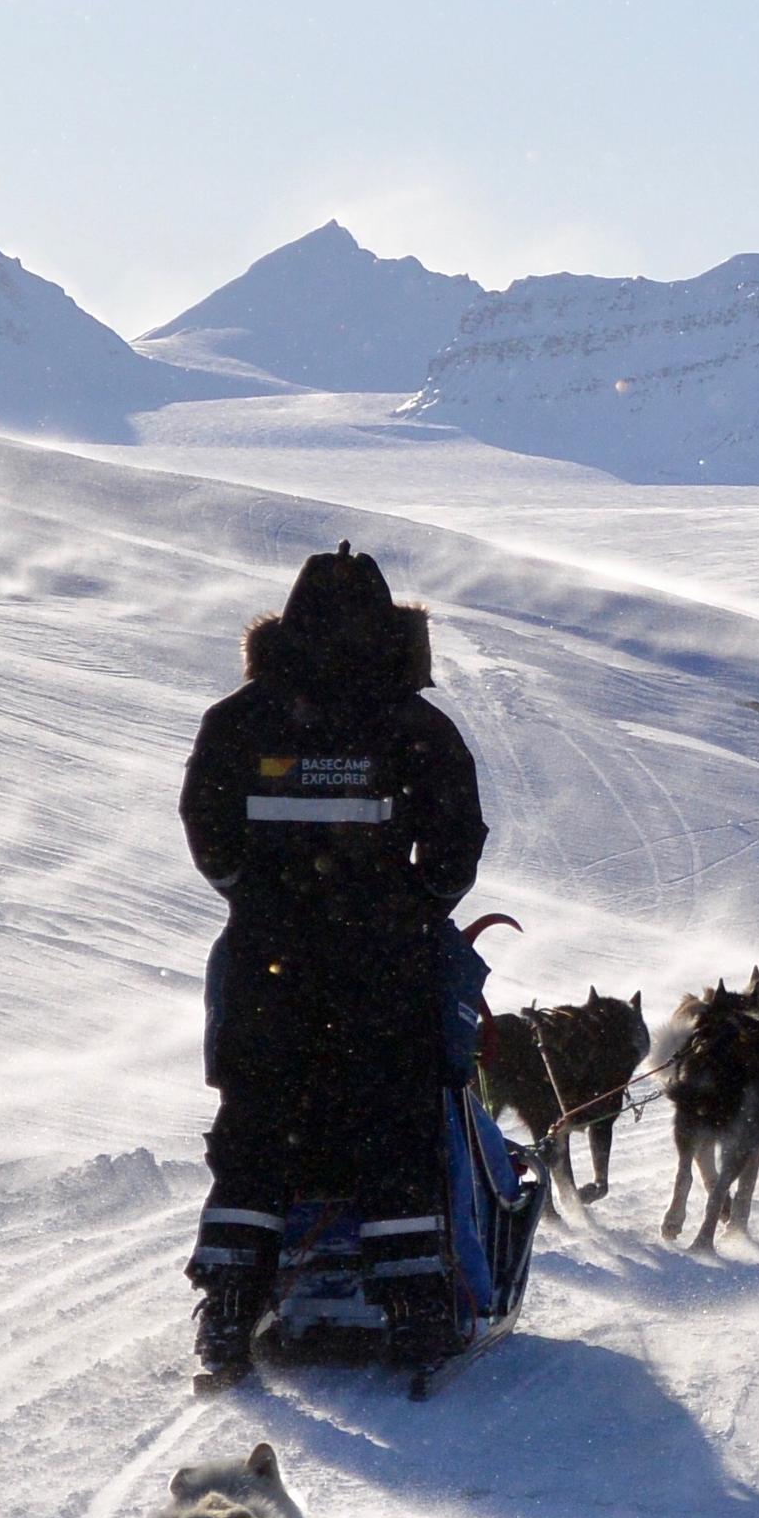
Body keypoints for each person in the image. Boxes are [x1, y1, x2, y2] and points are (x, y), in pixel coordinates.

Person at [179, 543, 488, 1374]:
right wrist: (415, 911)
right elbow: (459, 842)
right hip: (383, 969)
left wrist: (254, 895)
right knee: (394, 1122)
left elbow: (206, 832)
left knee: (257, 1126)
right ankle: (417, 1308)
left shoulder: (238, 721)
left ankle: (230, 1309)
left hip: (264, 965)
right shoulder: (416, 726)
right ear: (395, 628)